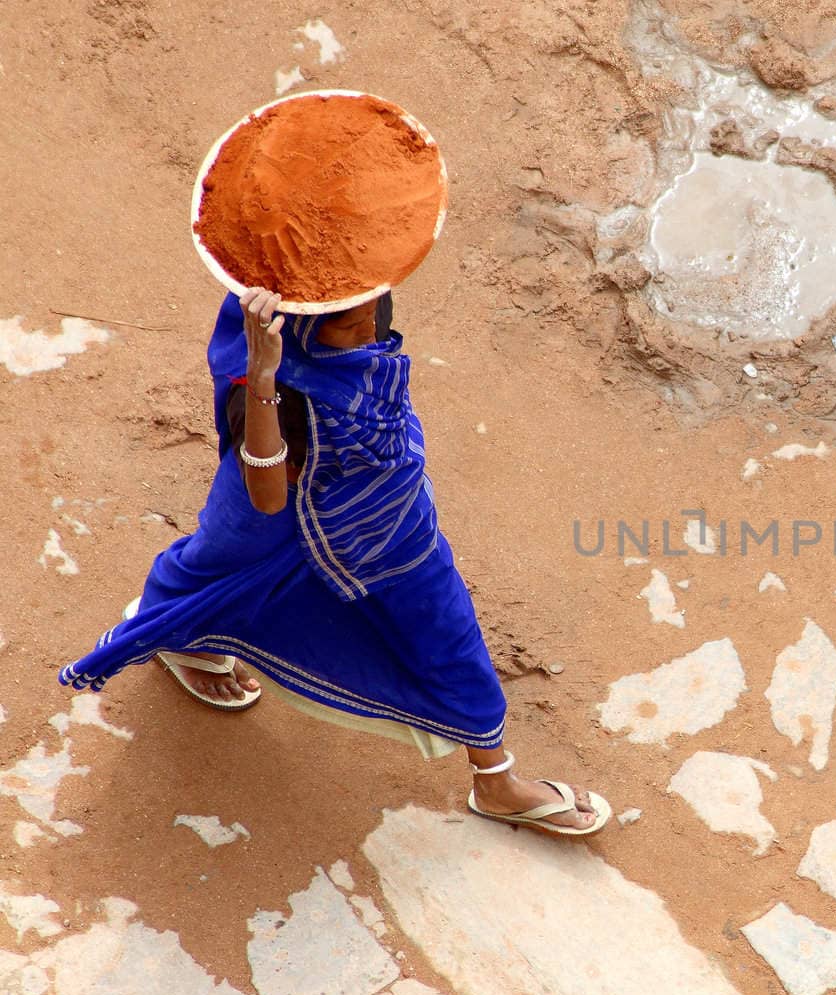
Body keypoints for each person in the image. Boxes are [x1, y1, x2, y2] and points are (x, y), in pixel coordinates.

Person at [60, 286, 607, 835]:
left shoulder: (349, 306)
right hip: (274, 471)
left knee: (441, 624)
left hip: (380, 512)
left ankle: (497, 781)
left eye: (375, 310)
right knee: (212, 568)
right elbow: (270, 496)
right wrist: (266, 376)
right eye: (350, 324)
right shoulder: (276, 371)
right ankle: (184, 641)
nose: (371, 334)